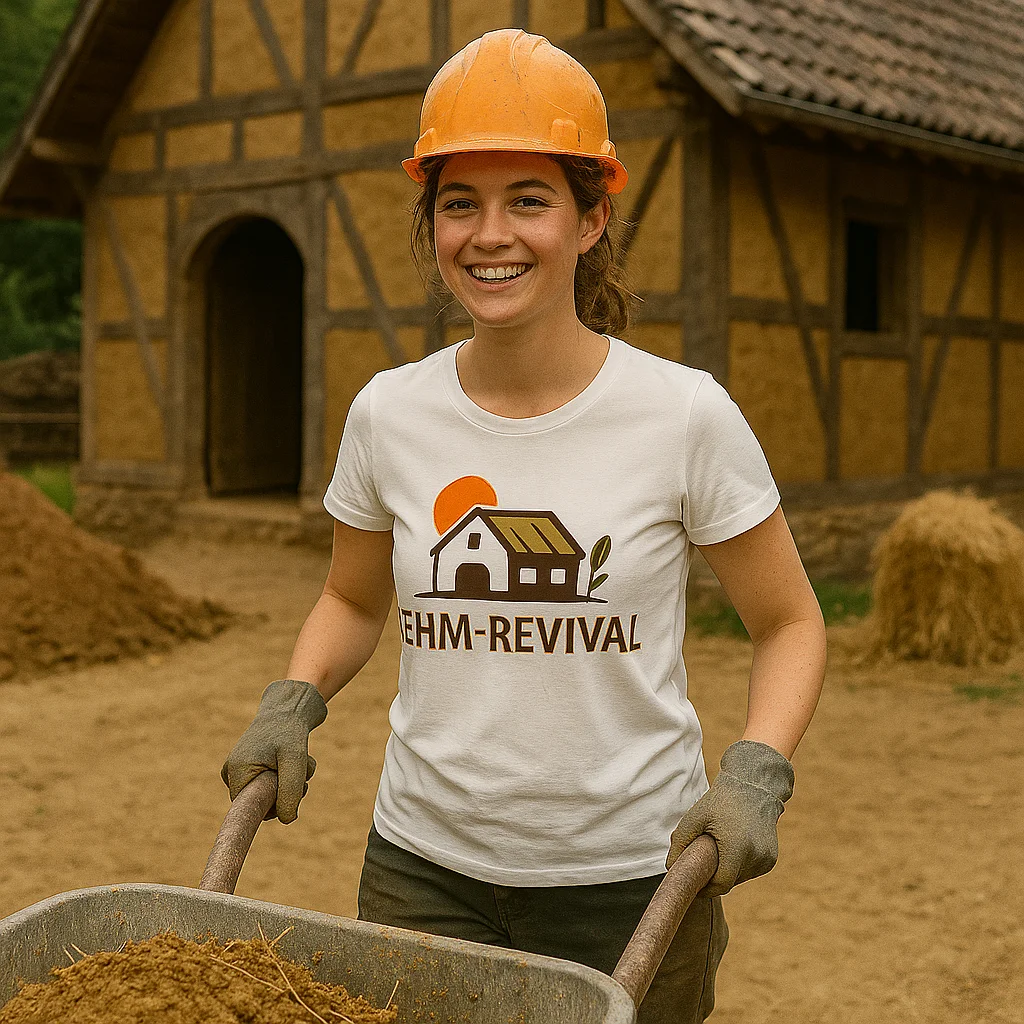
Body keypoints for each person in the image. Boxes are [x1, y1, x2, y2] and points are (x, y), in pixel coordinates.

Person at [222, 28, 827, 1023]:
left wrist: (756, 773)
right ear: (431, 225)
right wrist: (293, 699)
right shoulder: (389, 413)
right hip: (424, 875)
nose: (489, 234)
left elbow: (790, 622)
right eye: (459, 203)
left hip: (636, 884)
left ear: (591, 219)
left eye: (529, 200)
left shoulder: (684, 415)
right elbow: (349, 595)